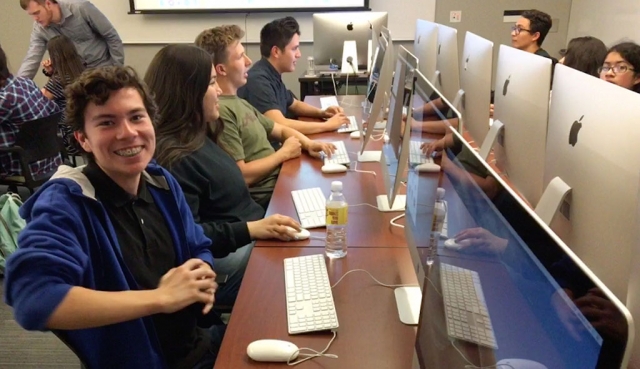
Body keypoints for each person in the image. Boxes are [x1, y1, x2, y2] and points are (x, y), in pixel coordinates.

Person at [3, 65, 224, 369]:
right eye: (107, 123)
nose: (128, 132)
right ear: (83, 140)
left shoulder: (160, 182)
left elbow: (198, 246)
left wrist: (202, 273)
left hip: (200, 344)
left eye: (136, 117)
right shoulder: (66, 204)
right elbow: (33, 298)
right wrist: (160, 298)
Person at [145, 44, 303, 309]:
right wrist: (252, 229)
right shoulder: (174, 158)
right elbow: (189, 236)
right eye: (210, 84)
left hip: (246, 230)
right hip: (229, 250)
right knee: (295, 264)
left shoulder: (201, 133)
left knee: (305, 246)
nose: (219, 90)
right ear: (188, 93)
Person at [195, 25, 336, 208]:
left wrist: (309, 144)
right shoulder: (221, 111)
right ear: (222, 70)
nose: (248, 61)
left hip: (282, 180)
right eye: (240, 56)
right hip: (267, 199)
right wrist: (283, 154)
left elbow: (280, 129)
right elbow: (242, 175)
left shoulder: (240, 102)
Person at [237, 16, 349, 135]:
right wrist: (327, 125)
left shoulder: (271, 73)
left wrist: (322, 113)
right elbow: (280, 124)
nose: (299, 54)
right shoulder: (258, 81)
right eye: (294, 49)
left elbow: (293, 104)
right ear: (276, 52)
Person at [0, 43, 62, 179]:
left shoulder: (5, 99)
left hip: (23, 167)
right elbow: (54, 109)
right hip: (50, 160)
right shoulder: (25, 82)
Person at [17, 0, 123, 79]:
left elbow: (111, 36)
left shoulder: (80, 8)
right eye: (31, 15)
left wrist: (116, 71)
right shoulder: (39, 29)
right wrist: (17, 88)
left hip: (104, 70)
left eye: (37, 13)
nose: (35, 19)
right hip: (76, 79)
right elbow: (31, 59)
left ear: (48, 4)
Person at [41, 34, 85, 155]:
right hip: (83, 130)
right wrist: (51, 73)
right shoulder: (83, 72)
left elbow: (39, 101)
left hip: (68, 136)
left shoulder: (59, 80)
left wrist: (52, 76)